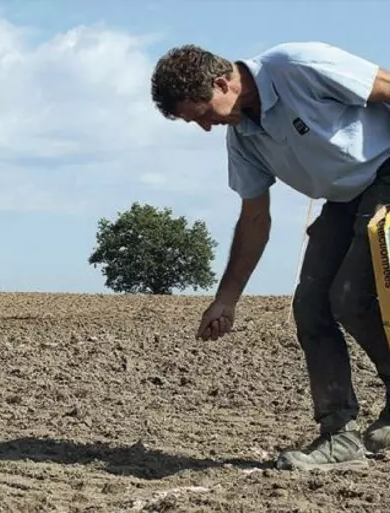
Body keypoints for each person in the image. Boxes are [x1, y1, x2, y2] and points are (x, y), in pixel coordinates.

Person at [149, 41, 390, 471]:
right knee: (310, 307)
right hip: (343, 197)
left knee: (350, 296)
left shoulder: (297, 66)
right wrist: (226, 299)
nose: (205, 127)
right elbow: (254, 220)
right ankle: (339, 435)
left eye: (202, 113)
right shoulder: (242, 138)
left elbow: (387, 86)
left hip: (387, 171)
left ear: (222, 83)